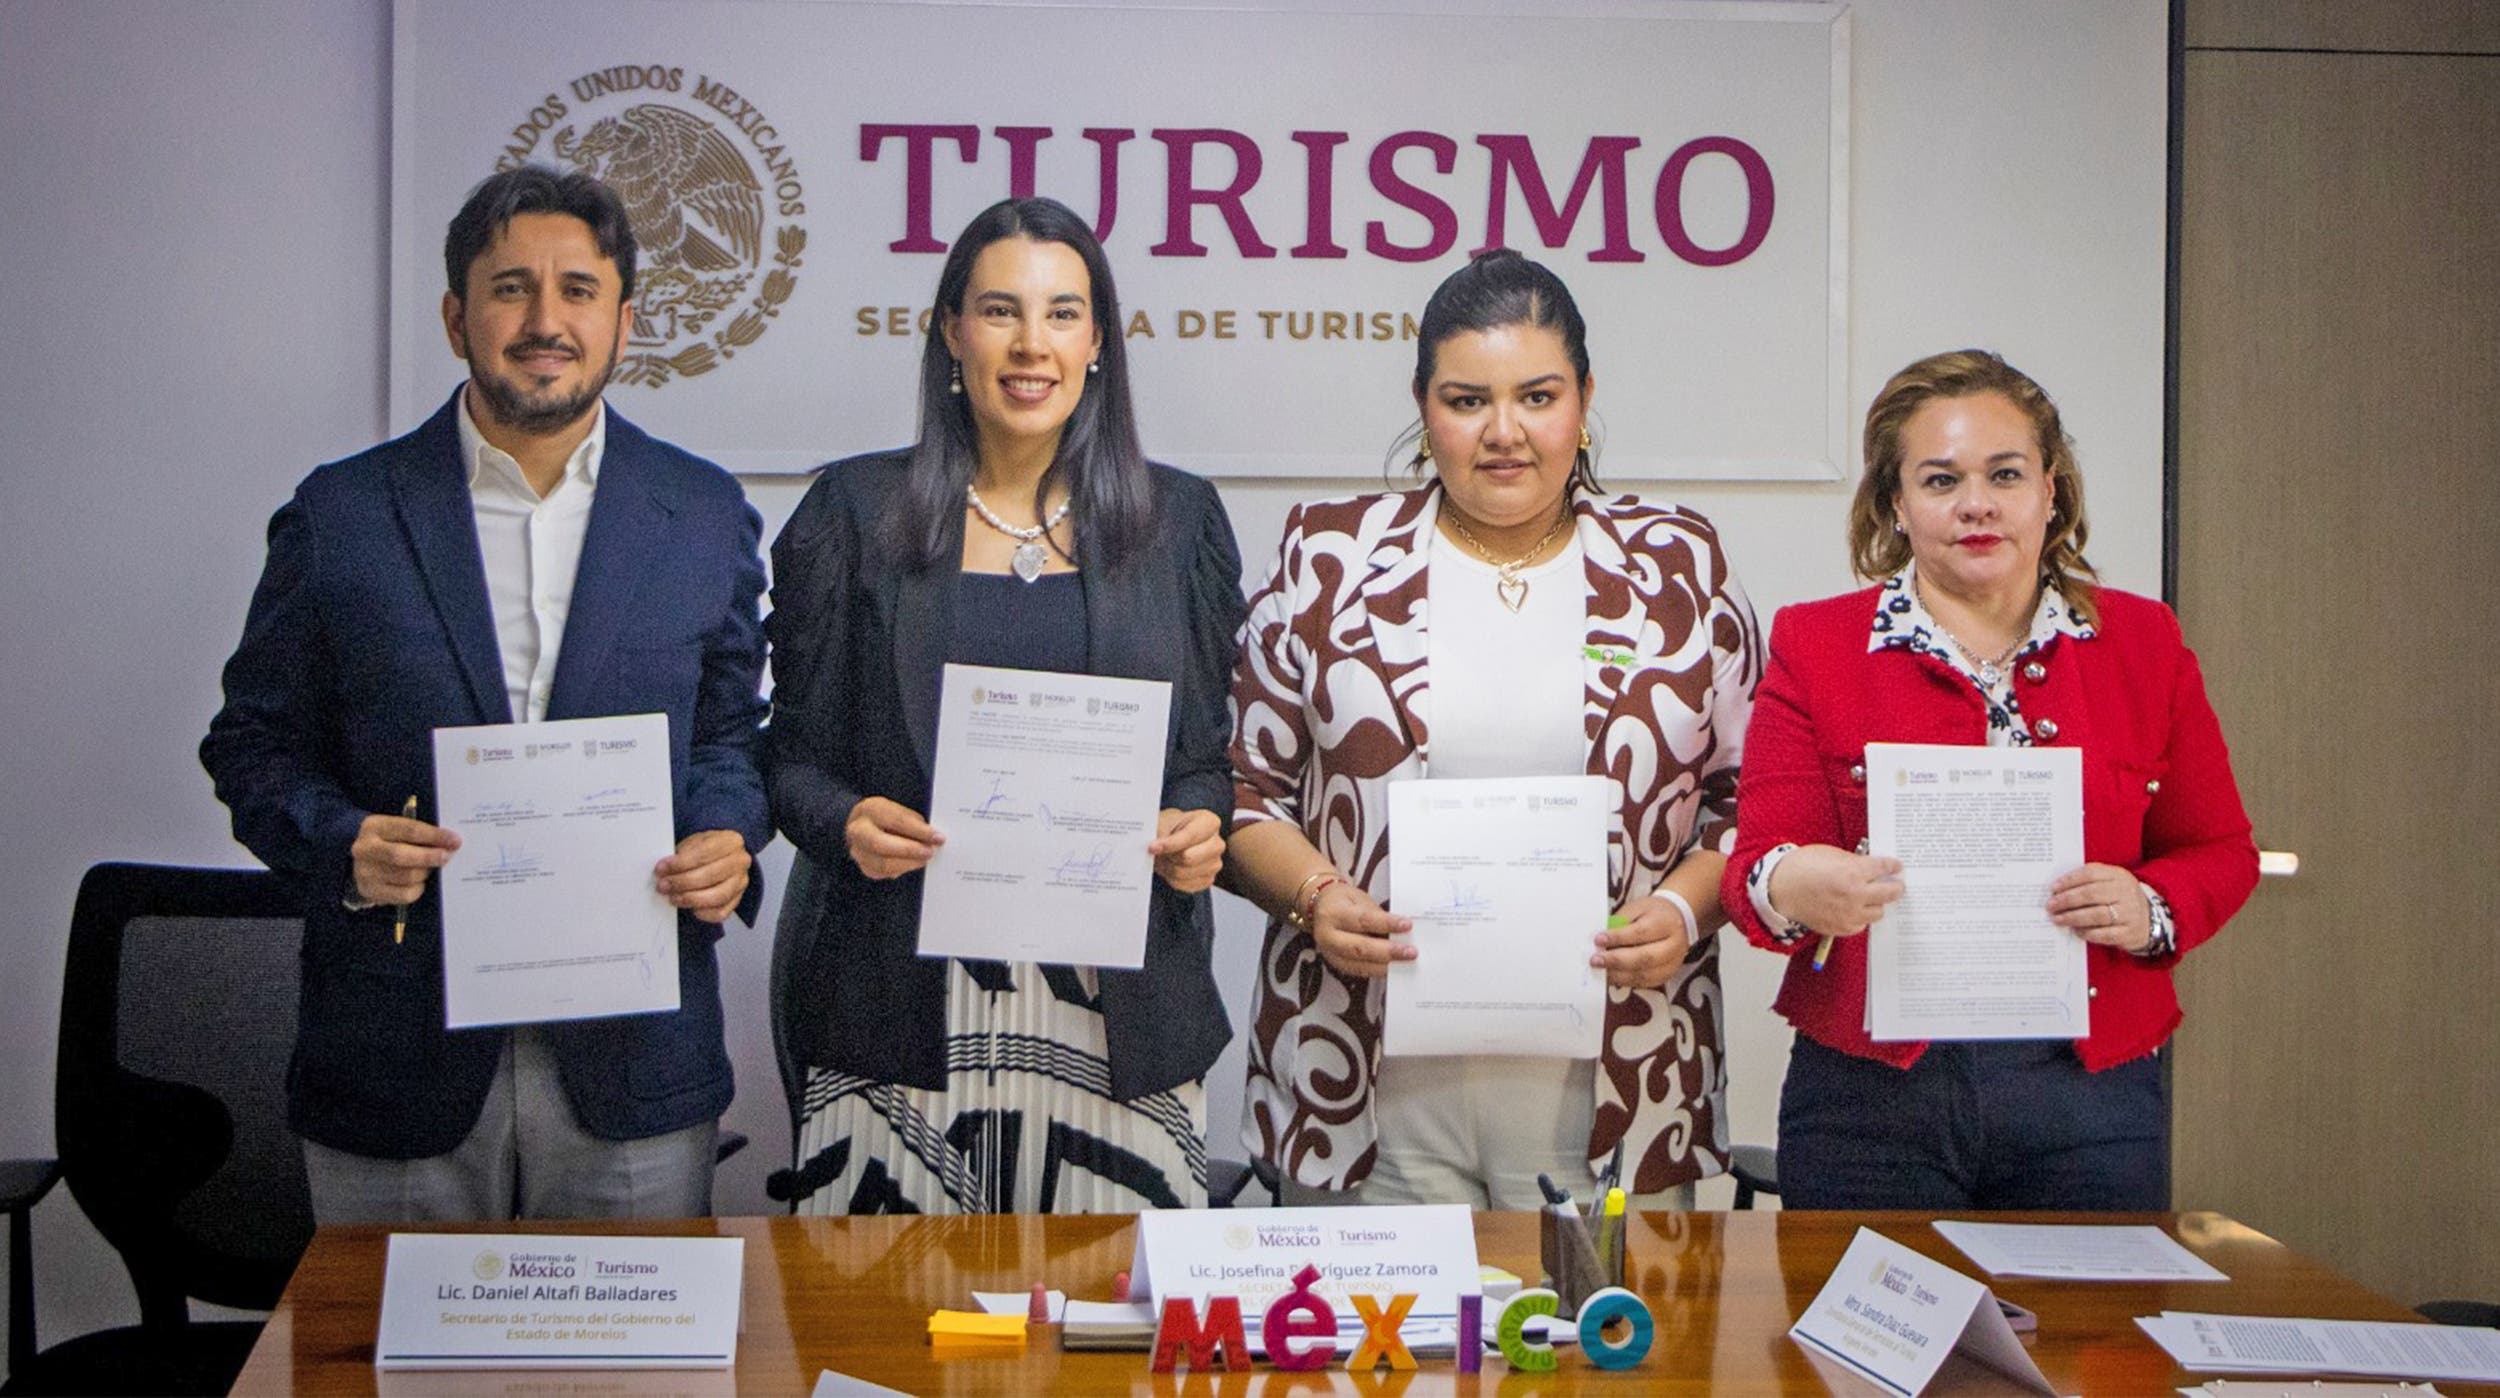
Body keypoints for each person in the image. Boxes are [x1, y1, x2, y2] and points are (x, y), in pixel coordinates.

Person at [200, 166, 770, 1222]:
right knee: (392, 1335)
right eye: (511, 289)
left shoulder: (699, 512)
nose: (545, 321)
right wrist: (343, 845)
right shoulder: (343, 511)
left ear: (625, 322)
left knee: (634, 1339)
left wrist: (727, 835)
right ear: (456, 317)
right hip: (395, 1049)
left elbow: (729, 737)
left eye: (578, 290)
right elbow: (253, 745)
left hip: (632, 1054)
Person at [1227, 249, 1761, 1209]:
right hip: (1361, 1083)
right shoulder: (1328, 555)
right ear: (1423, 405)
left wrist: (1685, 912)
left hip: (1619, 1084)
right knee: (1367, 1319)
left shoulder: (1676, 563)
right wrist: (1315, 897)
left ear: (1585, 398)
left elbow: (1751, 796)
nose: (1504, 432)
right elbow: (1244, 789)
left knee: (1607, 1318)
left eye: (1537, 397)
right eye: (1467, 400)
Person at [766, 196, 1245, 1215]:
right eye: (1000, 311)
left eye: (1063, 313)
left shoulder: (1179, 523)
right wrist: (844, 822)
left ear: (1098, 341)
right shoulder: (852, 513)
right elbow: (789, 760)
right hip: (897, 1021)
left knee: (1110, 1320)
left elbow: (1205, 764)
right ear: (951, 331)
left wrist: (1198, 827)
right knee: (882, 1317)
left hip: (1119, 1031)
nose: (1033, 344)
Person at [1721, 348, 2258, 1211]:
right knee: (1863, 1306)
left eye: (2005, 474)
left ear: (2051, 491)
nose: (1976, 503)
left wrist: (2150, 906)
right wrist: (1795, 884)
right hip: (1871, 1097)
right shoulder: (1817, 645)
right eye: (1940, 481)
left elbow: (2221, 850)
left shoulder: (2144, 643)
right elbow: (1756, 870)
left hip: (2088, 1092)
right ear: (1895, 504)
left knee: (2089, 1308)